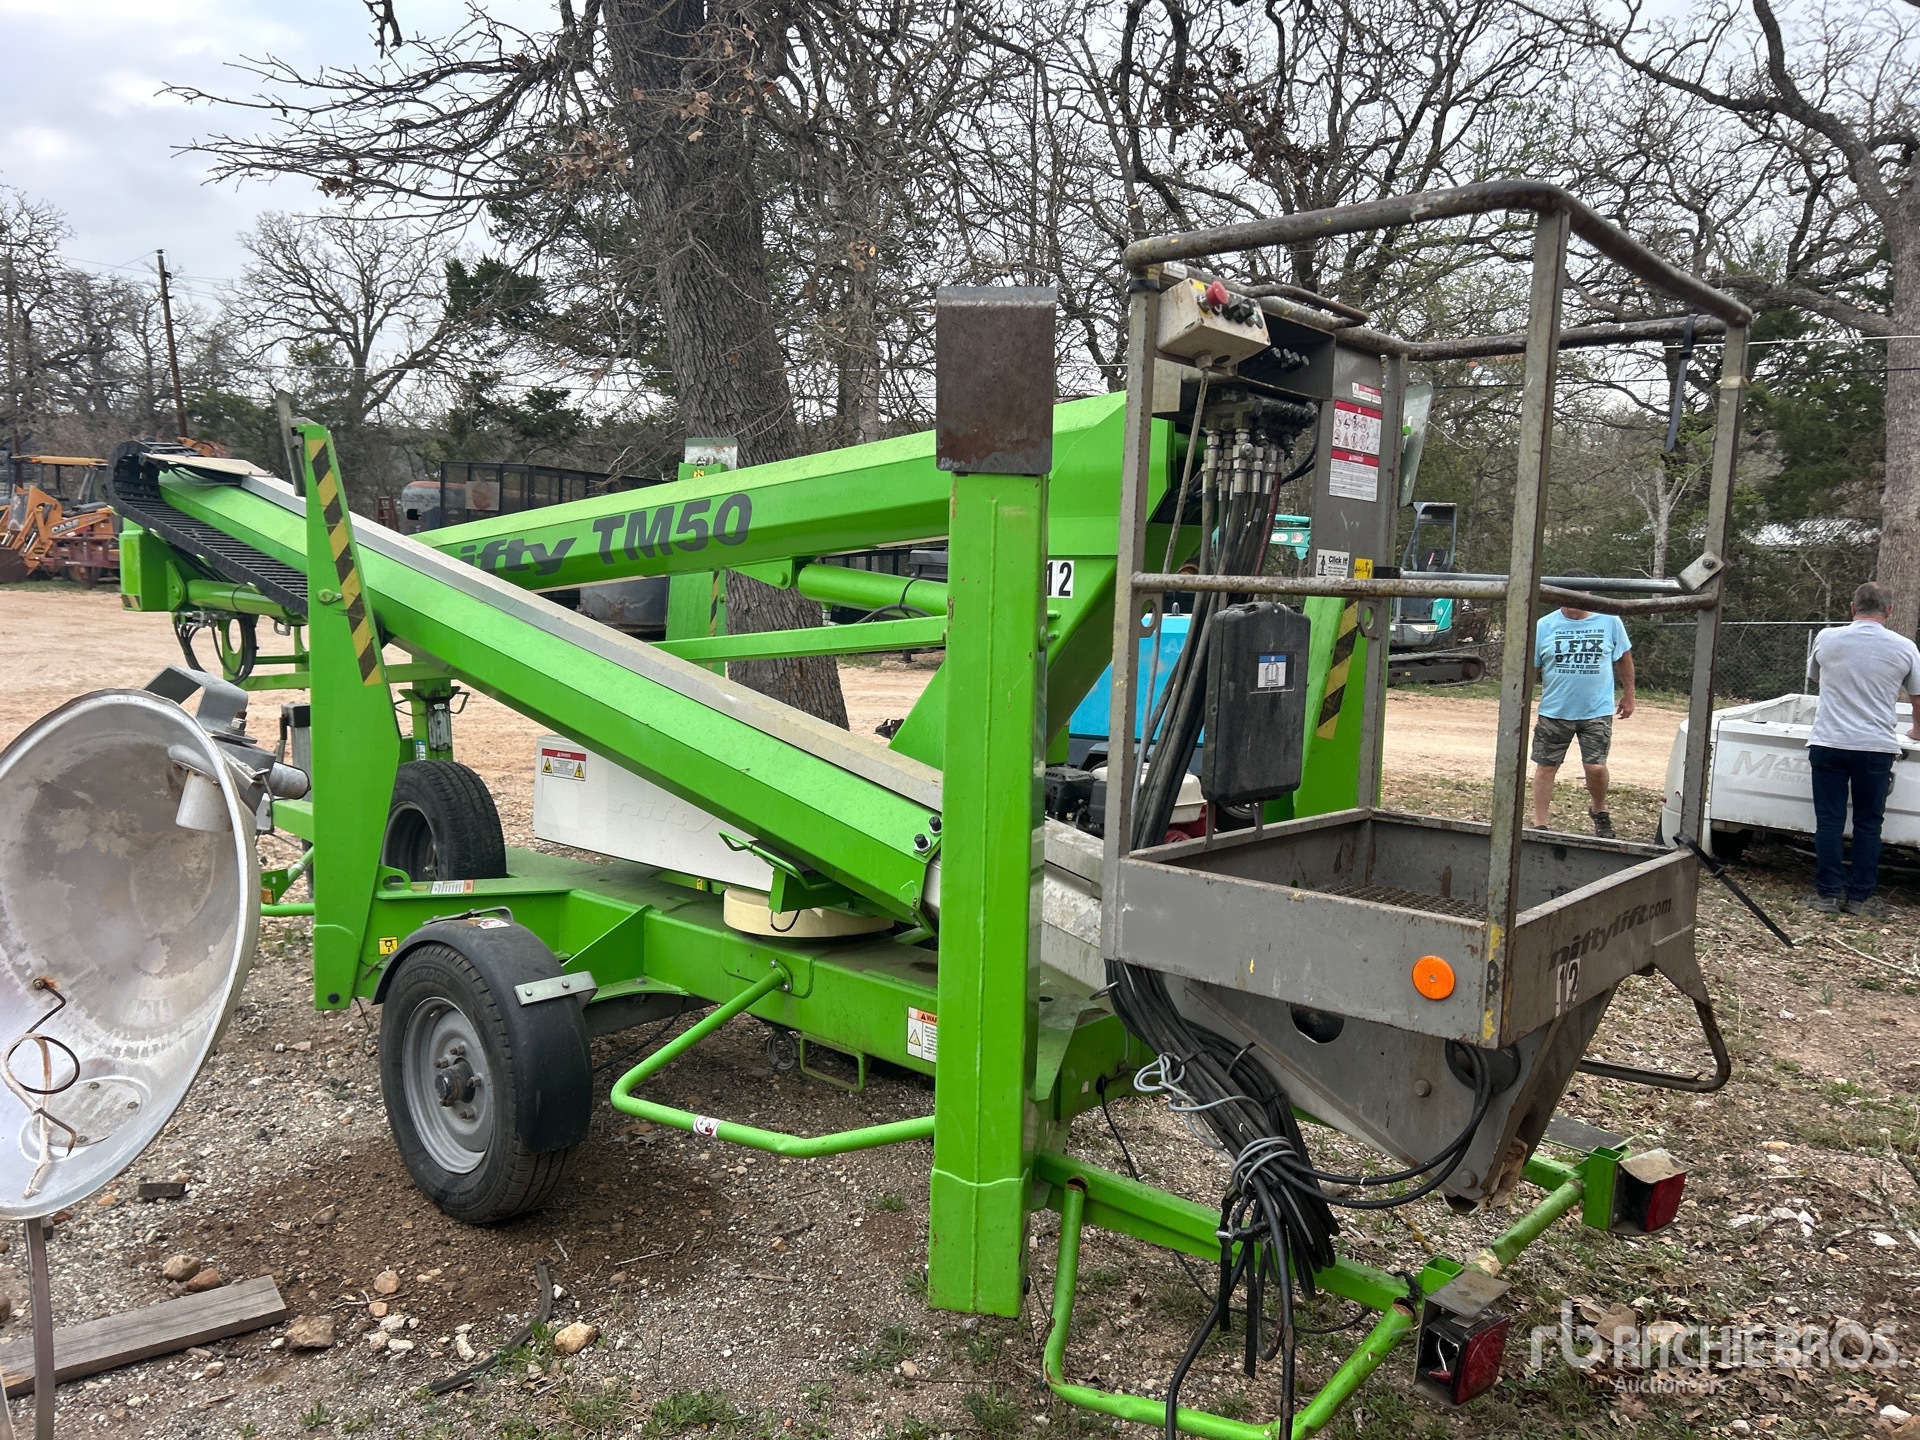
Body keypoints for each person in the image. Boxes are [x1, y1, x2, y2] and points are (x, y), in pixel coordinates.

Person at [1802, 582, 1920, 916]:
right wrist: (1916, 731)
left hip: (1828, 742)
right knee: (1868, 823)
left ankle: (1827, 894)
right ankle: (1860, 898)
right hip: (1875, 747)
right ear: (1890, 611)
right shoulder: (1905, 647)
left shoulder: (1827, 638)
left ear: (1853, 607)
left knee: (1829, 821)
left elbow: (1815, 676)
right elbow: (1917, 698)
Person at [1530, 604, 1635, 837]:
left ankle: (1599, 811)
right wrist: (1522, 698)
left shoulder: (1610, 621)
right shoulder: (1544, 625)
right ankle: (1540, 824)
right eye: (1567, 598)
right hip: (1554, 711)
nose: (1573, 605)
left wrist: (1629, 694)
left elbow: (1624, 657)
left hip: (1596, 711)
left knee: (1596, 768)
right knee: (1546, 767)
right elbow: (1532, 666)